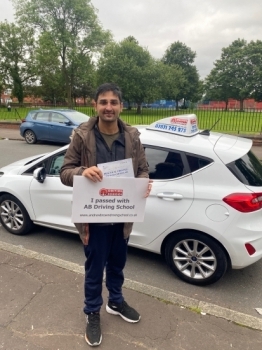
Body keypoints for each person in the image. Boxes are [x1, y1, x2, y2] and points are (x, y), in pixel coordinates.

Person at [60, 83, 151, 347]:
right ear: (95, 105)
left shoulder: (133, 136)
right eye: (103, 102)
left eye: (113, 102)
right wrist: (81, 172)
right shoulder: (82, 135)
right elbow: (65, 171)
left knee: (117, 265)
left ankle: (115, 301)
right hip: (93, 219)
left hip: (122, 217)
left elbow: (143, 169)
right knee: (94, 269)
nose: (108, 107)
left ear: (121, 106)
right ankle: (92, 312)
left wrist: (143, 184)